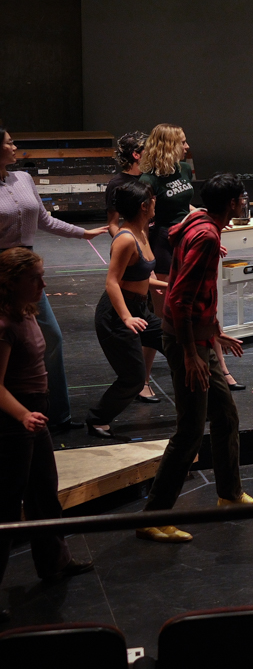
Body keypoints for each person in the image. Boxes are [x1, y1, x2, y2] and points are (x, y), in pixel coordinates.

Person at [136, 173, 253, 544]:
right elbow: (180, 298)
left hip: (199, 338)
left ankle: (229, 494)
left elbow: (199, 294)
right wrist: (191, 353)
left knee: (225, 415)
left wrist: (213, 331)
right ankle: (153, 517)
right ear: (233, 203)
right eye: (243, 197)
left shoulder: (198, 221)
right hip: (188, 344)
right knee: (189, 430)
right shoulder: (206, 235)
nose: (246, 202)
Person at [0, 249, 95, 615]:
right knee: (6, 506)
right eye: (34, 278)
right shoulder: (4, 324)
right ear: (12, 282)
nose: (43, 284)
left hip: (33, 414)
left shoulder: (26, 311)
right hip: (14, 420)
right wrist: (24, 415)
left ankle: (54, 561)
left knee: (43, 491)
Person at [0, 128, 109, 433]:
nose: (14, 146)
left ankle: (58, 416)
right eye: (9, 142)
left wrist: (83, 233)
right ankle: (14, 413)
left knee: (52, 339)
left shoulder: (23, 178)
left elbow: (44, 220)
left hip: (28, 273)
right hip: (2, 273)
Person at [139, 124, 244, 390]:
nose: (187, 147)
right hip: (164, 243)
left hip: (187, 237)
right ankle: (143, 380)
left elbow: (183, 205)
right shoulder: (148, 180)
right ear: (167, 145)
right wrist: (147, 262)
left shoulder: (183, 170)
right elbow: (142, 222)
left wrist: (205, 223)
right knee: (165, 318)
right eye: (182, 142)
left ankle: (221, 369)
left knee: (206, 306)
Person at [87, 182, 167, 437]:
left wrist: (168, 283)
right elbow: (112, 282)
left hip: (139, 310)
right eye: (153, 200)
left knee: (175, 340)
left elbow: (139, 277)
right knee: (133, 378)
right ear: (144, 206)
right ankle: (97, 419)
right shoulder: (125, 239)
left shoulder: (142, 233)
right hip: (116, 315)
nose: (156, 204)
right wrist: (126, 317)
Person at [106, 130, 147, 237]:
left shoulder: (151, 177)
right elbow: (112, 224)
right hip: (135, 237)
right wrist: (126, 243)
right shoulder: (116, 184)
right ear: (136, 155)